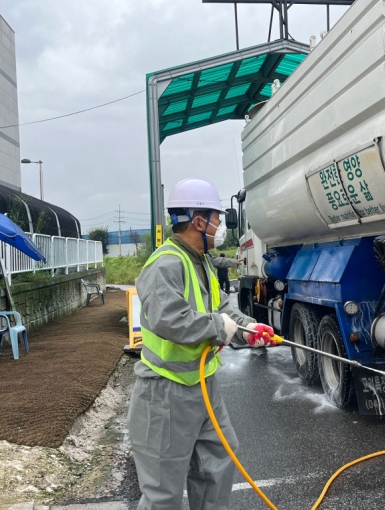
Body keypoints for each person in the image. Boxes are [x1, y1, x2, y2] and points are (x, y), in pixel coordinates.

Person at [128, 177, 278, 510]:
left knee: (219, 462)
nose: (220, 226)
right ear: (198, 221)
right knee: (163, 493)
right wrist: (217, 327)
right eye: (217, 218)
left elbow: (221, 308)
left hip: (202, 387)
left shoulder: (202, 262)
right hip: (165, 393)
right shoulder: (166, 265)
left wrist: (247, 328)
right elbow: (169, 318)